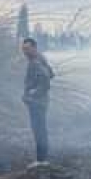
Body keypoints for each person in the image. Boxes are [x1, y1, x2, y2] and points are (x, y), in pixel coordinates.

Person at [21, 37, 55, 166]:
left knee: (39, 130)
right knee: (40, 130)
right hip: (41, 102)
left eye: (27, 49)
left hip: (38, 103)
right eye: (23, 49)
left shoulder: (35, 62)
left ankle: (41, 161)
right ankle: (42, 159)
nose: (25, 52)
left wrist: (32, 93)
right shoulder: (40, 58)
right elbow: (51, 74)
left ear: (34, 48)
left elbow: (46, 80)